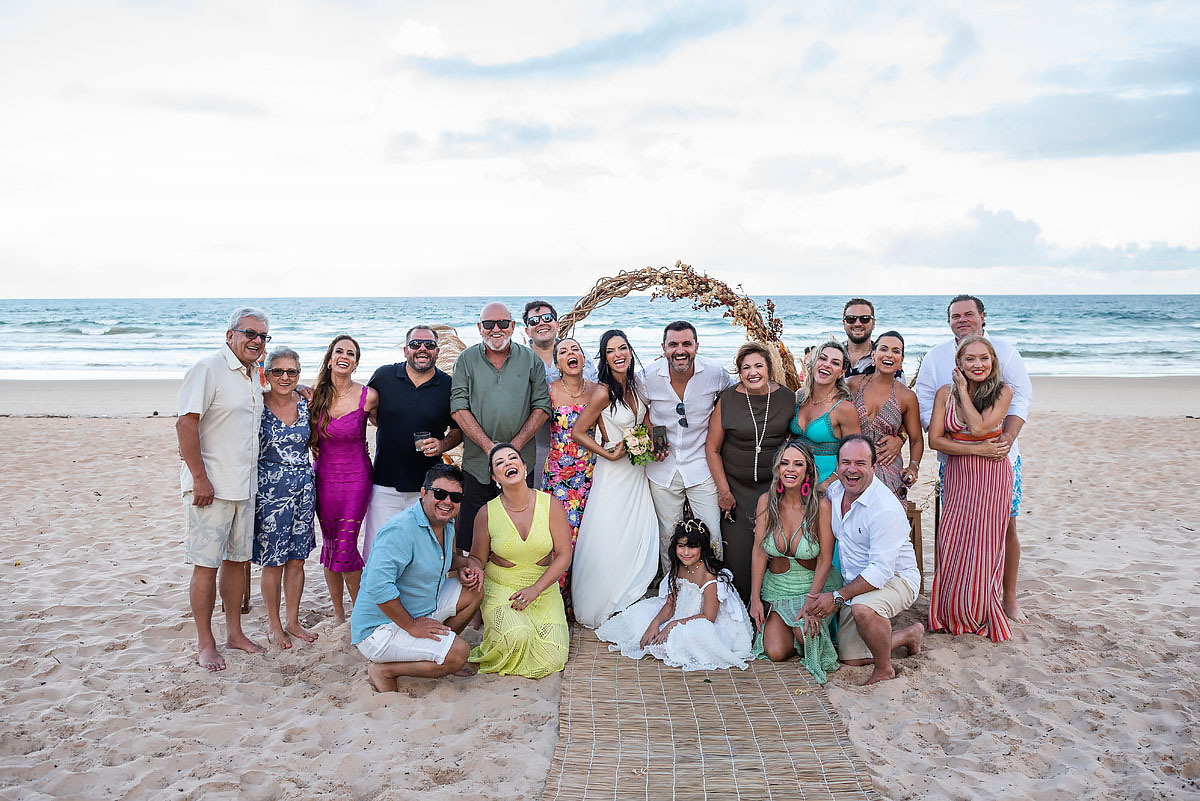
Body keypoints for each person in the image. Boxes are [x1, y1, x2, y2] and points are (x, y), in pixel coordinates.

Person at [914, 294, 1033, 621]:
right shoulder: (937, 357)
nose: (962, 319)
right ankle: (956, 598)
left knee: (1004, 527)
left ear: (983, 317)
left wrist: (1007, 436)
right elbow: (926, 403)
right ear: (949, 320)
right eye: (955, 315)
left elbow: (1022, 396)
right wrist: (952, 433)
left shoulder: (1003, 351)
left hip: (1001, 458)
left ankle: (1008, 598)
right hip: (954, 463)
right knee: (954, 531)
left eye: (968, 314)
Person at [176, 307, 270, 671]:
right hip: (210, 487)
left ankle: (235, 633)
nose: (256, 341)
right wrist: (199, 478)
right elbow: (186, 425)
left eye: (263, 336)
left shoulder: (251, 375)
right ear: (229, 334)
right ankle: (205, 642)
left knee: (237, 563)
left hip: (244, 487)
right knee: (205, 566)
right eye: (249, 333)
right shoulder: (207, 369)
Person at [803, 436, 924, 686]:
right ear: (837, 466)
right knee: (851, 658)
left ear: (874, 467)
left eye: (860, 462)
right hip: (856, 582)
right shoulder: (836, 493)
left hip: (896, 579)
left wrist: (837, 597)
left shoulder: (884, 508)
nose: (852, 469)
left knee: (863, 610)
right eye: (845, 462)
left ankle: (884, 669)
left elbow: (880, 572)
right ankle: (909, 635)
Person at [352, 464, 485, 689]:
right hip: (380, 628)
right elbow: (377, 587)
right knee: (459, 653)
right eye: (440, 494)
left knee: (474, 590)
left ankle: (435, 653)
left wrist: (467, 563)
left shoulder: (444, 521)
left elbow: (437, 558)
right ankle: (385, 670)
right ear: (424, 493)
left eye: (455, 497)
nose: (447, 502)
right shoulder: (400, 529)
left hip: (420, 609)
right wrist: (412, 625)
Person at [569, 329, 660, 629]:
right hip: (613, 472)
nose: (618, 354)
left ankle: (628, 592)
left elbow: (644, 421)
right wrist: (606, 454)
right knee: (609, 533)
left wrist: (647, 439)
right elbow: (578, 432)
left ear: (630, 351)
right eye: (611, 351)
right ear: (604, 358)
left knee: (634, 531)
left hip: (637, 472)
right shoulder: (603, 392)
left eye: (623, 348)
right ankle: (602, 599)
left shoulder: (635, 387)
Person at [927, 335, 1014, 642]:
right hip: (958, 474)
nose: (978, 364)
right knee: (952, 540)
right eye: (970, 359)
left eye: (984, 358)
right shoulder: (942, 394)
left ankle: (978, 611)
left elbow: (979, 427)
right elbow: (934, 440)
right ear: (959, 364)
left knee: (985, 544)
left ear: (993, 362)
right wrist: (977, 450)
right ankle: (950, 612)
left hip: (992, 477)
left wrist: (963, 392)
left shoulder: (1003, 392)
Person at [450, 302, 552, 550]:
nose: (496, 329)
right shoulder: (465, 360)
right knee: (472, 539)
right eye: (488, 324)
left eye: (503, 323)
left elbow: (542, 407)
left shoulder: (530, 359)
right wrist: (490, 449)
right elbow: (458, 408)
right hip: (476, 463)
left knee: (518, 536)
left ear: (513, 326)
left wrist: (511, 451)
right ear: (479, 327)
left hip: (520, 463)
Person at [468, 444, 572, 678]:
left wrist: (536, 589)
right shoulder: (486, 513)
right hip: (502, 587)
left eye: (513, 458)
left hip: (542, 589)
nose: (508, 463)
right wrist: (474, 570)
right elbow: (476, 557)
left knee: (554, 656)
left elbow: (564, 555)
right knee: (517, 635)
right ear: (495, 477)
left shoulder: (551, 505)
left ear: (524, 467)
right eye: (500, 462)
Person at [596, 518, 753, 671]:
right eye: (681, 546)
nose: (685, 553)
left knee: (689, 637)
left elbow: (709, 617)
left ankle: (673, 641)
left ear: (703, 548)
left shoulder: (709, 576)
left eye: (692, 547)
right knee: (640, 617)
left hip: (704, 621)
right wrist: (655, 623)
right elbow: (671, 604)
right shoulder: (679, 567)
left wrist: (672, 625)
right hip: (681, 613)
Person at [638, 320, 733, 570]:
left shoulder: (715, 373)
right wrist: (651, 434)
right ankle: (674, 585)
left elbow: (733, 396)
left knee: (710, 533)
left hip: (702, 466)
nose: (680, 350)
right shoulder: (647, 377)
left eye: (686, 344)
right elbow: (638, 409)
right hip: (662, 470)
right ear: (663, 347)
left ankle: (712, 583)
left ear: (697, 346)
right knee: (669, 535)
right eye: (673, 344)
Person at [704, 342, 795, 602]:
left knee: (774, 552)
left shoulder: (787, 398)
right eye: (746, 368)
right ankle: (742, 614)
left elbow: (795, 439)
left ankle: (772, 611)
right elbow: (712, 449)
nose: (753, 372)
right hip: (735, 492)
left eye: (758, 366)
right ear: (739, 372)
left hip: (773, 489)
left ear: (769, 368)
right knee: (740, 557)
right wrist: (724, 492)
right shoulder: (728, 399)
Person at [362, 325, 461, 559]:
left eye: (429, 345)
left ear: (438, 350)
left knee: (422, 557)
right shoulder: (384, 376)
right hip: (384, 484)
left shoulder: (448, 385)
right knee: (377, 553)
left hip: (428, 489)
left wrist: (442, 444)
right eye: (416, 344)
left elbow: (458, 430)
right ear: (406, 349)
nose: (422, 349)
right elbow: (363, 408)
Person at [749, 440, 841, 684]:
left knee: (804, 635)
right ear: (778, 469)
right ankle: (790, 630)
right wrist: (755, 598)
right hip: (777, 589)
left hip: (813, 588)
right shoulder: (766, 503)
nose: (790, 469)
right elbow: (759, 552)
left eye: (798, 464)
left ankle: (803, 632)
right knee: (775, 652)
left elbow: (824, 560)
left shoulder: (821, 507)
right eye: (785, 463)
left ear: (808, 471)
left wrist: (812, 602)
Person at [310, 334, 379, 625]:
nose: (345, 356)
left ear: (356, 363)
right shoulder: (312, 396)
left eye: (351, 353)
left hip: (357, 480)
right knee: (330, 545)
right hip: (324, 479)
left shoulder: (369, 396)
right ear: (329, 359)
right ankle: (338, 613)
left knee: (347, 546)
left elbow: (388, 424)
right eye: (339, 351)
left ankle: (360, 612)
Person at [253, 346, 317, 649]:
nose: (285, 376)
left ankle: (293, 621)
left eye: (292, 371)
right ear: (266, 374)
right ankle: (274, 624)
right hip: (269, 492)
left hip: (304, 488)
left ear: (299, 375)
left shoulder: (307, 402)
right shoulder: (256, 402)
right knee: (273, 562)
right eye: (277, 370)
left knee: (297, 561)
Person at [541, 337, 597, 619]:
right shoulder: (548, 392)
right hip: (559, 479)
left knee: (589, 538)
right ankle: (554, 602)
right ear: (557, 363)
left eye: (575, 349)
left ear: (584, 358)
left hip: (592, 475)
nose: (570, 354)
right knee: (561, 539)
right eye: (563, 351)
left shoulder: (598, 391)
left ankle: (581, 601)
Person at [522, 300, 597, 487]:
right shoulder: (519, 360)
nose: (541, 323)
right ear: (526, 330)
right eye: (534, 321)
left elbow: (596, 394)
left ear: (557, 324)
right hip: (537, 449)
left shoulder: (578, 355)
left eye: (547, 318)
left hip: (583, 449)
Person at [847, 331, 924, 499]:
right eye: (884, 349)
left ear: (901, 360)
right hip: (853, 468)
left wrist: (913, 467)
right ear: (873, 355)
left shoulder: (907, 396)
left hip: (889, 468)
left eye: (896, 351)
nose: (889, 354)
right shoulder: (852, 385)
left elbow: (917, 438)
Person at [789, 340, 860, 490]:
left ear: (841, 373)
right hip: (794, 481)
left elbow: (854, 456)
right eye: (822, 358)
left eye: (835, 363)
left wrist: (827, 484)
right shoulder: (799, 396)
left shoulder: (844, 408)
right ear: (814, 362)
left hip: (828, 485)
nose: (827, 364)